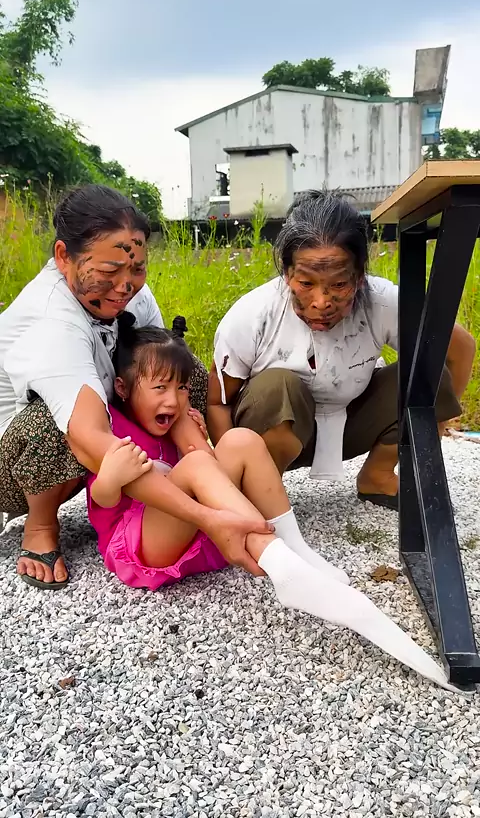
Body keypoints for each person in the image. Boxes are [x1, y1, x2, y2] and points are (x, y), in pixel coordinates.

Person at [86, 317, 458, 693]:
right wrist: (109, 479)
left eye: (181, 387)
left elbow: (210, 475)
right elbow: (102, 504)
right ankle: (280, 562)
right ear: (123, 388)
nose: (173, 399)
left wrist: (192, 437)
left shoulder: (177, 419)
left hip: (195, 527)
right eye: (160, 387)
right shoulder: (110, 430)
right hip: (141, 543)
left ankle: (294, 550)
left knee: (241, 440)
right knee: (197, 464)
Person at [0, 184, 268, 591]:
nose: (125, 286)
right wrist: (208, 517)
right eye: (109, 272)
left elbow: (166, 374)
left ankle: (172, 497)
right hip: (15, 466)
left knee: (180, 370)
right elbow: (90, 438)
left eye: (136, 269)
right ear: (63, 256)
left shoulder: (129, 296)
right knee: (49, 424)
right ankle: (40, 526)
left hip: (98, 420)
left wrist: (201, 462)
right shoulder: (53, 321)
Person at [207, 190, 475, 508]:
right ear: (287, 274)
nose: (322, 302)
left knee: (429, 373)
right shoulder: (252, 315)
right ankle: (261, 491)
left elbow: (459, 348)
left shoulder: (381, 302)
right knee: (278, 387)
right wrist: (230, 481)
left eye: (338, 284)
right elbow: (218, 403)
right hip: (269, 434)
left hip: (349, 424)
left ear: (359, 276)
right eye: (306, 284)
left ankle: (377, 475)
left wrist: (432, 417)